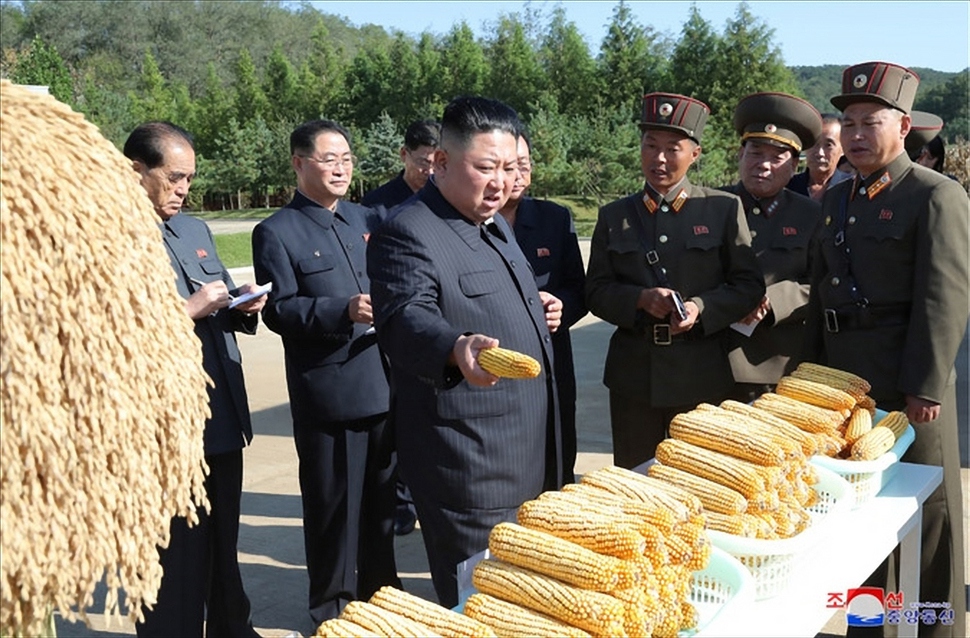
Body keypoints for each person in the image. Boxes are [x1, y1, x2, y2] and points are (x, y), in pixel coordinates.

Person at [367, 96, 563, 609]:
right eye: (484, 167)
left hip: (528, 454)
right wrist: (454, 348)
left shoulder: (493, 222)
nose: (499, 182)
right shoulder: (408, 231)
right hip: (470, 467)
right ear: (442, 163)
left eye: (508, 167)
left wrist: (532, 307)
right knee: (481, 605)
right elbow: (405, 318)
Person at [802, 61, 968, 637]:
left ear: (902, 127)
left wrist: (924, 385)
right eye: (848, 123)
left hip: (908, 384)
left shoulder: (935, 195)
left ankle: (934, 629)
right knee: (860, 517)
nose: (856, 135)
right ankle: (869, 628)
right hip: (848, 382)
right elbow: (821, 283)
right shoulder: (839, 197)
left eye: (870, 122)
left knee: (928, 519)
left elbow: (944, 297)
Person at [251, 120, 401, 625]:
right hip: (331, 392)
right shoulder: (276, 231)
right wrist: (343, 310)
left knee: (381, 508)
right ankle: (332, 611)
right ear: (298, 164)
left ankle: (384, 599)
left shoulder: (365, 218)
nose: (340, 168)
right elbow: (280, 310)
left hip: (382, 382)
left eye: (346, 158)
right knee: (334, 509)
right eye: (327, 159)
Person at [123, 121, 264, 638]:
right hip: (163, 428)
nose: (184, 189)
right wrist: (188, 310)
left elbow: (221, 299)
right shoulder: (109, 237)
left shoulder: (195, 230)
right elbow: (109, 337)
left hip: (221, 416)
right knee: (174, 558)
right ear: (136, 171)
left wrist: (246, 304)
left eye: (190, 179)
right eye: (175, 177)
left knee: (223, 545)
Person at [585, 92, 765, 470]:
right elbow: (596, 291)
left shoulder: (722, 209)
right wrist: (639, 299)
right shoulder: (615, 216)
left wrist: (701, 308)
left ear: (695, 154)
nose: (659, 158)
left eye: (672, 148)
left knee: (701, 478)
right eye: (650, 146)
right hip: (634, 377)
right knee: (635, 483)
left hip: (701, 373)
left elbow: (749, 285)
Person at [360, 118, 440, 536]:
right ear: (403, 155)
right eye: (422, 161)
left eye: (436, 161)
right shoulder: (375, 207)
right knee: (396, 420)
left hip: (433, 325)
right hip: (387, 324)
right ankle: (400, 503)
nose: (429, 170)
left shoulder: (445, 200)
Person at [720, 92, 824, 402]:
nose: (763, 165)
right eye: (755, 152)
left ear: (794, 166)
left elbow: (823, 281)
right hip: (713, 363)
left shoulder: (813, 214)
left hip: (782, 368)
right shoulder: (711, 205)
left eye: (777, 156)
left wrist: (772, 300)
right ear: (740, 155)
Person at [498, 131, 587, 484]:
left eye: (524, 166)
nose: (517, 175)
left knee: (556, 463)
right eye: (507, 166)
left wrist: (561, 305)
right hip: (491, 366)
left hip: (550, 363)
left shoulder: (554, 219)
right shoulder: (463, 224)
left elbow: (580, 291)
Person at [361, 118, 440, 209]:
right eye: (423, 162)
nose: (430, 172)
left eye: (437, 164)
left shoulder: (449, 200)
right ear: (404, 154)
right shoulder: (376, 203)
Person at [786, 113, 849, 201]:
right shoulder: (788, 187)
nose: (820, 153)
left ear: (843, 148)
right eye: (814, 143)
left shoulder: (850, 188)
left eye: (828, 145)